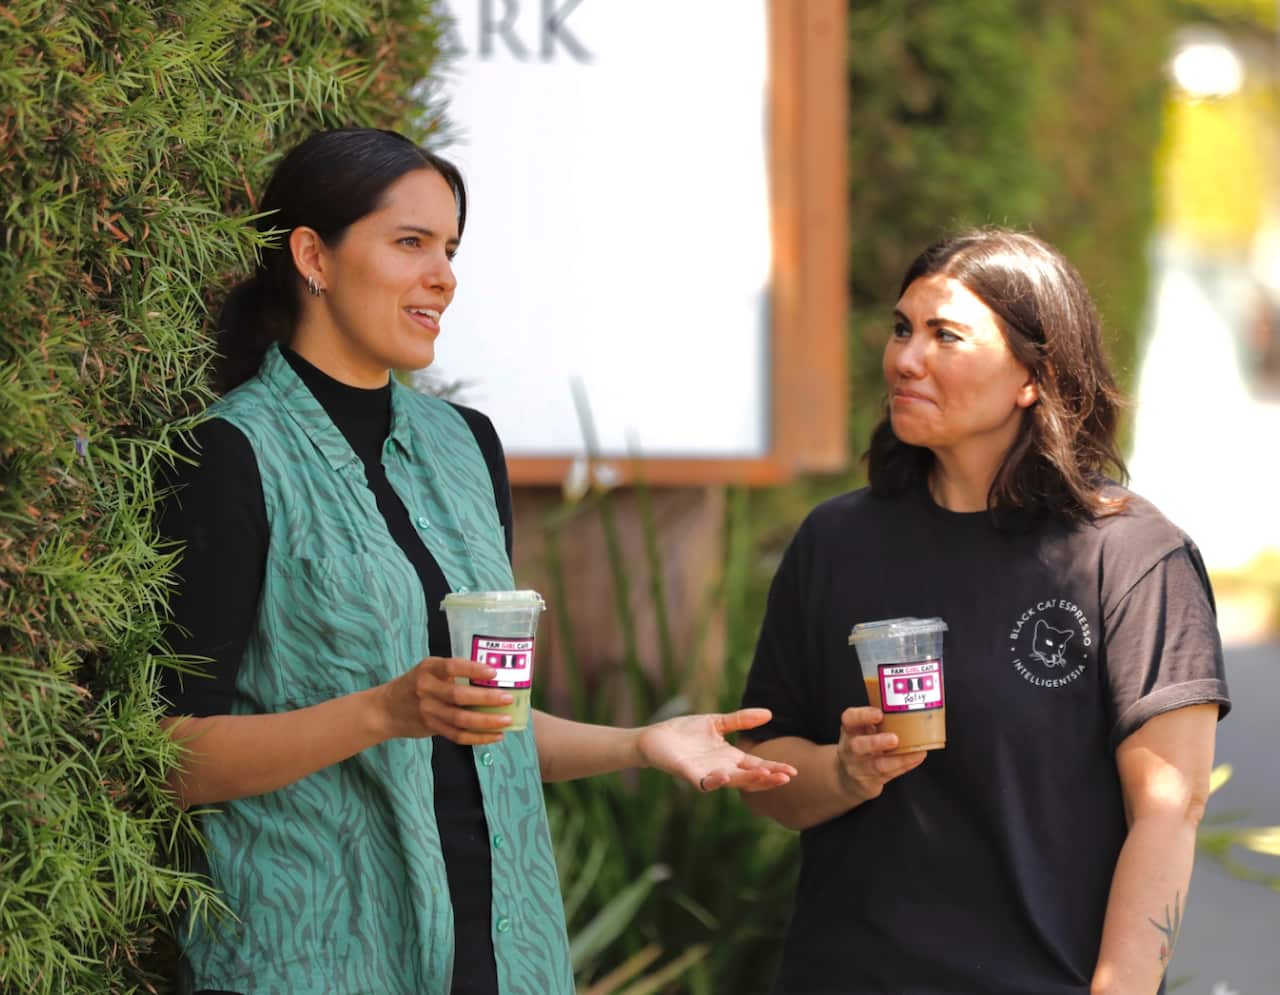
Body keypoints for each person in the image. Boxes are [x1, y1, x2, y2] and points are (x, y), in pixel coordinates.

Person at [157, 127, 795, 995]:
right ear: (314, 255)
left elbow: (492, 725)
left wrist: (642, 743)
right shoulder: (230, 455)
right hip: (311, 960)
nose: (444, 275)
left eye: (451, 248)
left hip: (500, 957)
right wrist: (382, 711)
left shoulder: (466, 447)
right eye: (410, 242)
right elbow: (174, 758)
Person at [738, 229, 1230, 995]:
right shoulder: (836, 541)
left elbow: (1169, 810)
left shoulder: (1131, 557)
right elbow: (763, 771)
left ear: (1033, 376)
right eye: (903, 328)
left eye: (946, 336)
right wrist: (842, 771)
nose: (905, 358)